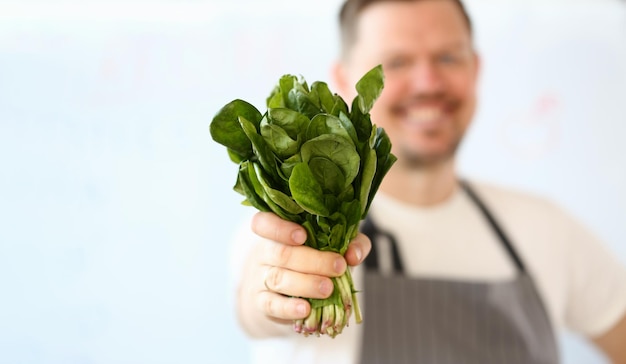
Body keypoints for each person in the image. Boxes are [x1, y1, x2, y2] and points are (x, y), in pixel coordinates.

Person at [231, 0, 626, 363]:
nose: (427, 83)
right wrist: (277, 290)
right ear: (344, 79)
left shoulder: (547, 229)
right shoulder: (285, 231)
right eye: (397, 62)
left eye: (448, 57)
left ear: (475, 68)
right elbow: (259, 300)